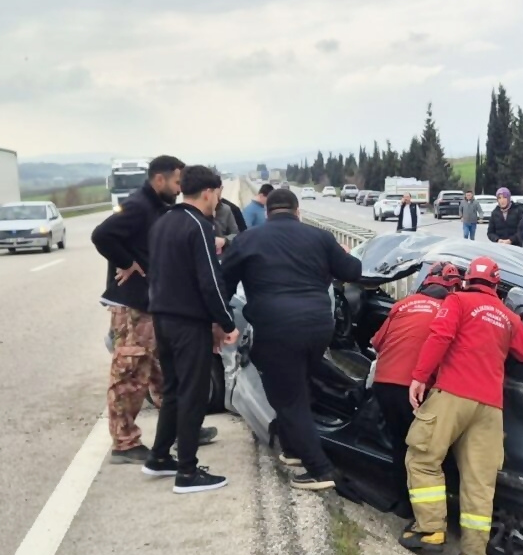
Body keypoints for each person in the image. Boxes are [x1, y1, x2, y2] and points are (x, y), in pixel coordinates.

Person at [402, 256, 523, 555]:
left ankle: (431, 529)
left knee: (423, 458)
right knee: (480, 484)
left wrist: (420, 376)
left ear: (468, 280)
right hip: (490, 409)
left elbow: (440, 337)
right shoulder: (508, 317)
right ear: (496, 284)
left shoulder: (458, 301)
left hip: (452, 394)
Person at [221, 189, 364, 491]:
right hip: (318, 327)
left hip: (276, 329)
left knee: (288, 399)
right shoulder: (320, 237)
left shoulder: (247, 240)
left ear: (268, 211)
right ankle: (294, 449)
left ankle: (321, 469)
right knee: (297, 386)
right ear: (297, 211)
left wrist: (220, 323)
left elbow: (223, 286)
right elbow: (353, 271)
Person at [142, 165, 240, 493]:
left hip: (162, 318)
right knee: (193, 393)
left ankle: (159, 457)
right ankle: (187, 471)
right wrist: (227, 323)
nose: (218, 202)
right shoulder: (199, 225)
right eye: (218, 195)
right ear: (209, 192)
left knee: (172, 390)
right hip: (188, 322)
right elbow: (210, 281)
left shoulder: (163, 221)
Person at [92, 155, 184, 463]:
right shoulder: (138, 206)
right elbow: (102, 235)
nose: (179, 188)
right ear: (160, 180)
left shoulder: (157, 206)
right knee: (130, 374)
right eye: (176, 182)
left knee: (160, 371)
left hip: (150, 303)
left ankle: (183, 427)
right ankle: (125, 443)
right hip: (132, 306)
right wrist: (126, 262)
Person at [370, 262, 462, 497]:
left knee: (399, 443)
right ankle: (417, 506)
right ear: (453, 289)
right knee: (421, 451)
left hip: (384, 383)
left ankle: (399, 498)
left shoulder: (404, 304)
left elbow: (377, 342)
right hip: (415, 390)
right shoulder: (450, 313)